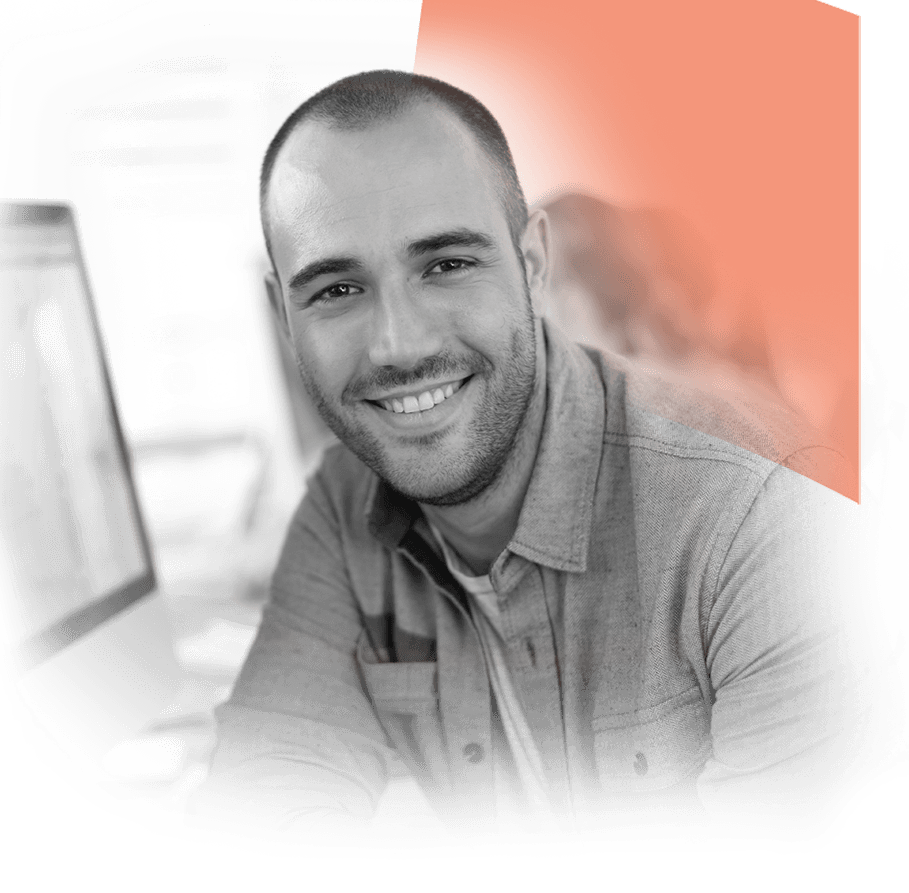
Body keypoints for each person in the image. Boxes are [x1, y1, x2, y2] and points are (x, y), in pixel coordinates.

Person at [185, 70, 901, 842]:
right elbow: (257, 812)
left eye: (447, 264)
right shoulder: (343, 502)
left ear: (531, 264)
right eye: (335, 290)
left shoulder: (765, 514)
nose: (398, 344)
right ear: (282, 318)